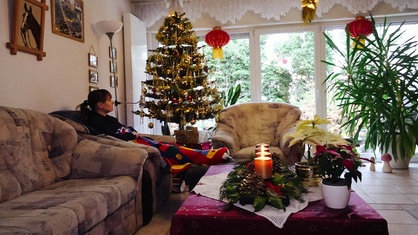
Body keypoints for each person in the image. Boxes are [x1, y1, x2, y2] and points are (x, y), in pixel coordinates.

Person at [78, 89, 229, 191]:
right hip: (130, 145)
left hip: (137, 139)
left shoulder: (108, 118)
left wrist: (132, 132)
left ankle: (203, 156)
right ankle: (207, 156)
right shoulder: (96, 121)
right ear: (100, 105)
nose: (112, 102)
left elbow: (124, 127)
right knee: (170, 150)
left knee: (169, 146)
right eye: (110, 100)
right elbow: (111, 137)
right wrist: (130, 135)